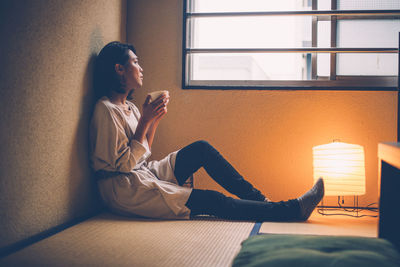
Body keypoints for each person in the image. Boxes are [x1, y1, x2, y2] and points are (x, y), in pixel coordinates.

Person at [89, 41, 324, 222]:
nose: (141, 68)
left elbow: (144, 152)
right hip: (124, 190)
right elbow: (123, 166)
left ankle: (259, 200)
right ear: (119, 68)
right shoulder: (105, 109)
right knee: (213, 200)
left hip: (143, 173)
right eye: (135, 62)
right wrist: (145, 122)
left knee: (201, 149)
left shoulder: (129, 107)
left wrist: (154, 119)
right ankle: (291, 210)